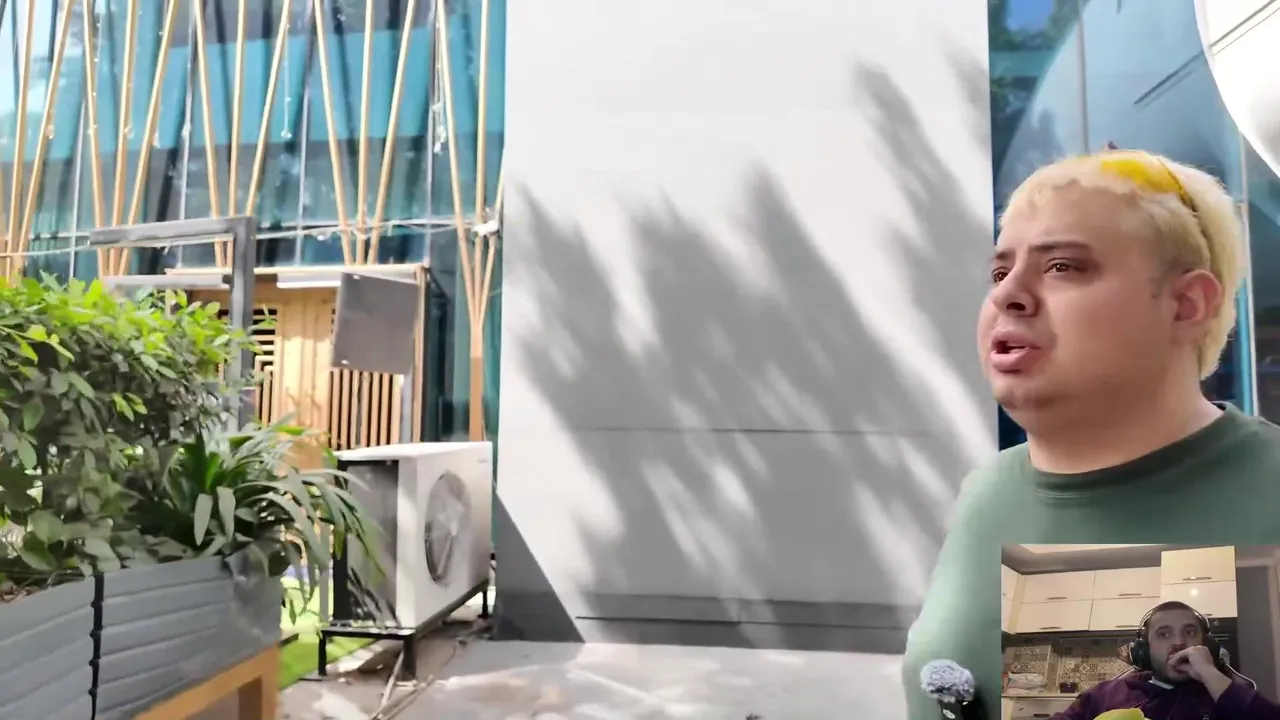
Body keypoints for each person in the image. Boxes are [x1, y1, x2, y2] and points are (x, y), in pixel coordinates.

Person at [899, 148, 1280, 720]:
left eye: (1062, 267)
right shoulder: (984, 491)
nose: (1007, 294)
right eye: (999, 272)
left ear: (1186, 305)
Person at [1051, 601, 1279, 719]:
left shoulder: (1226, 693)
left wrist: (1210, 674)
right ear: (1144, 649)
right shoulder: (1104, 694)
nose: (1179, 642)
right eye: (1164, 634)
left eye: (1189, 632)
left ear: (1207, 645)